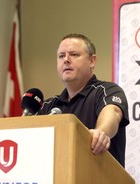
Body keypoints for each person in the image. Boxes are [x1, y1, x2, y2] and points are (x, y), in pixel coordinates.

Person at [40, 33, 130, 167]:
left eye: (74, 54)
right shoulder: (48, 106)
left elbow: (113, 112)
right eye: (61, 56)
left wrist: (101, 132)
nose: (66, 60)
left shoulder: (106, 91)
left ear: (92, 61)